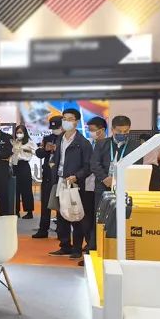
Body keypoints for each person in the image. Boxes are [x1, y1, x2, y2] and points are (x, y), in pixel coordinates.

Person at [47, 108, 93, 259]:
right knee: (61, 214)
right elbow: (57, 158)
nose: (66, 121)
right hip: (60, 181)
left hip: (74, 183)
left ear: (77, 122)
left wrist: (76, 176)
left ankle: (77, 248)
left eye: (70, 119)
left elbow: (88, 166)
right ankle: (65, 245)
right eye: (64, 118)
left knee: (75, 215)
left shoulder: (83, 143)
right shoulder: (60, 138)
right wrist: (53, 166)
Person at [91, 115, 142, 248]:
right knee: (99, 219)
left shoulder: (135, 145)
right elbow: (94, 164)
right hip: (103, 187)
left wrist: (121, 180)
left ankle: (116, 249)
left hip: (125, 188)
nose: (122, 134)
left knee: (122, 219)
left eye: (126, 131)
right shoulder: (102, 144)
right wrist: (104, 178)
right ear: (113, 129)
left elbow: (137, 166)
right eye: (119, 131)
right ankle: (95, 248)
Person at [82, 116, 109, 254]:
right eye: (89, 129)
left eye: (92, 130)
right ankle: (89, 243)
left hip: (102, 186)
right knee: (87, 217)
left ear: (101, 130)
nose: (90, 132)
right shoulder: (89, 144)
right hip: (87, 185)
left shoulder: (108, 145)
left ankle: (94, 247)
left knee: (98, 218)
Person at [33, 116, 62, 239]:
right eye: (53, 128)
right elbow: (39, 154)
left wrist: (58, 149)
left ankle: (61, 230)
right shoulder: (48, 138)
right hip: (48, 175)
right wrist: (46, 149)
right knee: (45, 203)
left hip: (60, 175)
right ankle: (43, 229)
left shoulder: (66, 139)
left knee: (60, 204)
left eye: (57, 127)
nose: (55, 130)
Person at [11, 123, 36, 219]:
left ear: (25, 133)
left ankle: (29, 212)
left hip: (24, 166)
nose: (19, 134)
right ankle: (16, 211)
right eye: (17, 132)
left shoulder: (29, 142)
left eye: (21, 132)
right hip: (15, 166)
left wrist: (27, 150)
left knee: (26, 190)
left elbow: (36, 152)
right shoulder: (14, 142)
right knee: (15, 190)